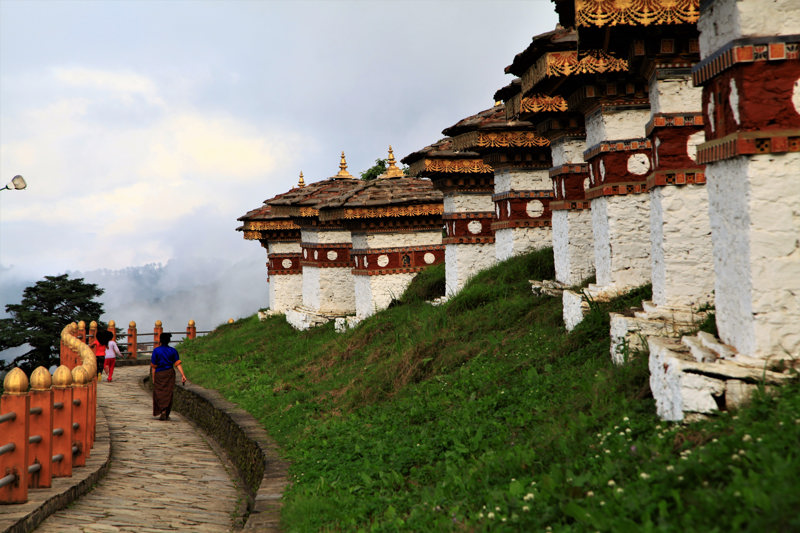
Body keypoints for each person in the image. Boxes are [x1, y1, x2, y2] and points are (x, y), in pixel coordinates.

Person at [150, 333, 187, 421]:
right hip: (169, 373)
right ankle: (165, 411)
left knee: (159, 392)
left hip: (159, 374)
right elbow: (177, 364)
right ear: (169, 341)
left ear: (160, 340)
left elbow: (154, 367)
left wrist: (153, 378)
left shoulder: (156, 351)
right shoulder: (173, 351)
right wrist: (183, 375)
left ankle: (162, 410)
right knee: (168, 392)